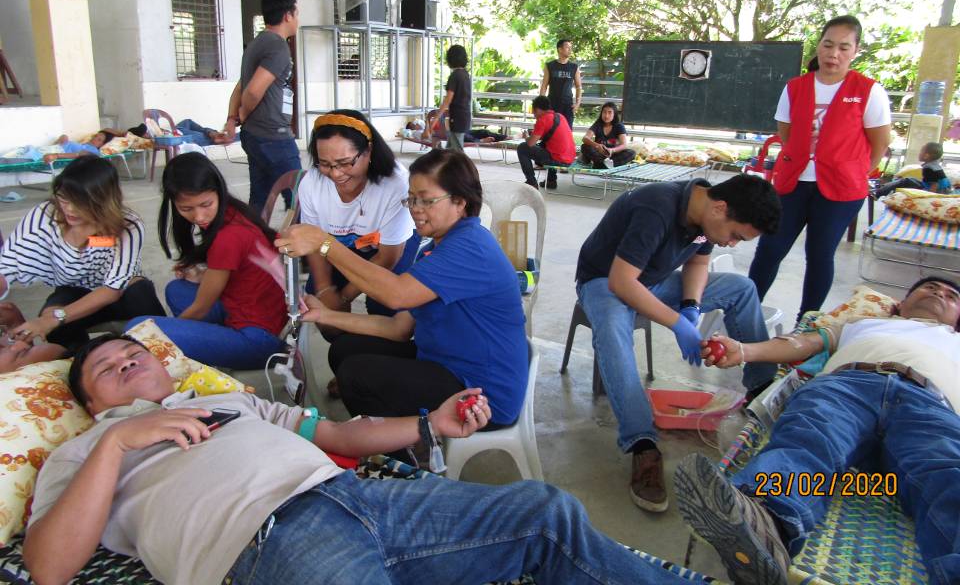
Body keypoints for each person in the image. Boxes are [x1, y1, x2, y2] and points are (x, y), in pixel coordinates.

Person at [25, 335, 692, 585]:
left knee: (546, 511)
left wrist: (429, 423)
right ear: (90, 403)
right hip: (261, 542)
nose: (126, 361)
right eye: (107, 370)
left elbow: (338, 438)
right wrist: (116, 443)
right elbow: (49, 567)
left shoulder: (233, 403)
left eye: (131, 353)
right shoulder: (84, 452)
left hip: (359, 498)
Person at [676, 276, 960, 585]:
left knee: (949, 470)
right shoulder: (860, 324)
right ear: (900, 304)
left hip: (930, 403)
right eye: (930, 287)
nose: (939, 293)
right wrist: (743, 350)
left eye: (951, 296)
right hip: (848, 386)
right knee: (809, 440)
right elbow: (801, 343)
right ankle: (765, 526)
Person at [276, 149, 528, 428]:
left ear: (460, 202)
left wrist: (325, 244)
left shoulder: (470, 247)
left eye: (427, 200)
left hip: (482, 395)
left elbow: (396, 294)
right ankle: (403, 434)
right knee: (344, 349)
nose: (415, 208)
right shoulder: (436, 248)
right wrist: (324, 316)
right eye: (411, 198)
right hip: (446, 366)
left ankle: (404, 453)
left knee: (356, 375)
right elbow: (399, 328)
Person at [575, 174, 781, 512]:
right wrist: (677, 325)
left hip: (650, 280)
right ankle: (642, 444)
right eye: (735, 235)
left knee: (741, 289)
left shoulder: (702, 223)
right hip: (604, 281)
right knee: (613, 331)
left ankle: (762, 390)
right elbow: (621, 282)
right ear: (720, 208)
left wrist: (690, 307)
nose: (732, 244)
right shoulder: (656, 207)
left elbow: (698, 259)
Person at [748, 15, 892, 329]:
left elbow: (879, 144)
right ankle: (745, 309)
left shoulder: (868, 91)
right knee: (770, 247)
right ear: (819, 46)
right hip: (793, 182)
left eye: (843, 47)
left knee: (819, 254)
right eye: (828, 45)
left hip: (841, 190)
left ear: (855, 51)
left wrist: (849, 169)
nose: (833, 53)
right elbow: (786, 133)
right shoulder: (795, 87)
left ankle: (806, 322)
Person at [126, 153, 286, 370]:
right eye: (186, 209)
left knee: (138, 329)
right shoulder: (234, 211)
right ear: (173, 203)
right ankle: (211, 341)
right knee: (176, 289)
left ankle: (212, 347)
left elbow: (201, 308)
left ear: (218, 190)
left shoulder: (228, 237)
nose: (199, 217)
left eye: (205, 204)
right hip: (259, 314)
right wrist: (203, 274)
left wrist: (168, 334)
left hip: (260, 341)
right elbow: (236, 270)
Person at [0, 157, 164, 365]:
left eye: (80, 202)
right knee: (54, 324)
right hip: (74, 290)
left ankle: (162, 359)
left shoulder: (128, 225)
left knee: (145, 304)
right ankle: (80, 367)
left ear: (103, 200)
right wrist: (51, 318)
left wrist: (55, 317)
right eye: (63, 198)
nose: (69, 209)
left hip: (121, 292)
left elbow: (112, 289)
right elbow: (9, 263)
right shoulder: (45, 215)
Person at [299, 110, 419, 321]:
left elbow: (388, 257)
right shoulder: (312, 183)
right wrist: (325, 289)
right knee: (319, 302)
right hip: (333, 245)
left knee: (385, 303)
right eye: (325, 164)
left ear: (368, 151)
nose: (335, 174)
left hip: (388, 248)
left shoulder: (396, 184)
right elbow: (317, 244)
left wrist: (344, 297)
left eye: (345, 163)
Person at [227, 0, 302, 214]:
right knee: (299, 199)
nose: (298, 20)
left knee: (259, 198)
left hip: (256, 136)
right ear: (288, 15)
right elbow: (251, 92)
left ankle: (255, 245)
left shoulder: (257, 43)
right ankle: (302, 248)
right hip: (273, 137)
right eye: (297, 13)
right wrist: (242, 114)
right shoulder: (278, 46)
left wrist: (232, 119)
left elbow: (240, 87)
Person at [517, 95, 577, 190]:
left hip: (559, 160)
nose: (534, 115)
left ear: (537, 109)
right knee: (547, 147)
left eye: (534, 112)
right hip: (570, 158)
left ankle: (531, 182)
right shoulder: (560, 116)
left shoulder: (542, 120)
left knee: (522, 148)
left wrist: (526, 137)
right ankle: (551, 181)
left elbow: (530, 144)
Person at [430, 44, 472, 152]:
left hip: (457, 117)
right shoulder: (465, 74)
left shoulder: (455, 76)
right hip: (465, 115)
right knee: (450, 149)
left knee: (457, 151)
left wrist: (437, 117)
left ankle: (463, 168)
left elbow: (448, 99)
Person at [873, 141, 954, 196]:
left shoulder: (929, 168)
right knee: (906, 180)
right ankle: (884, 187)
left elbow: (934, 185)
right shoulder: (934, 165)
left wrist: (927, 196)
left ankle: (879, 192)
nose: (919, 153)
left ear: (926, 155)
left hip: (939, 191)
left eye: (921, 151)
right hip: (942, 189)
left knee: (905, 181)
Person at [539, 38, 582, 127]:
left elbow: (579, 87)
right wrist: (541, 104)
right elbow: (544, 86)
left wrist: (577, 104)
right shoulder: (550, 66)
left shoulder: (574, 67)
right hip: (552, 104)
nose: (570, 50)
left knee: (567, 131)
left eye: (571, 48)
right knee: (551, 130)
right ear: (560, 49)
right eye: (567, 47)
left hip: (567, 105)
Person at [580, 101, 636, 168]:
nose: (606, 115)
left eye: (610, 112)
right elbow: (585, 138)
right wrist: (597, 145)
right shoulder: (598, 124)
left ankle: (600, 165)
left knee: (632, 153)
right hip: (599, 154)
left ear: (614, 114)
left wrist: (612, 150)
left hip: (613, 155)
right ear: (601, 113)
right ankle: (605, 164)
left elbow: (624, 145)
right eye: (604, 112)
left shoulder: (619, 125)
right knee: (585, 146)